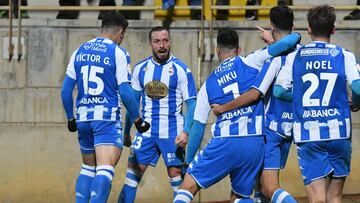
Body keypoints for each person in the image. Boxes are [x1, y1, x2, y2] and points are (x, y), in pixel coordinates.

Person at [173, 28, 301, 203]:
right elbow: (290, 41)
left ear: (218, 51)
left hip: (225, 141)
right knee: (239, 197)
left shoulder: (208, 85)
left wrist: (188, 162)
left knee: (187, 187)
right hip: (254, 142)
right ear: (238, 49)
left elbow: (198, 127)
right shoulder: (252, 60)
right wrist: (273, 38)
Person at [61, 11, 150, 203]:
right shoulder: (118, 52)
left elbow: (65, 90)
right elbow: (125, 92)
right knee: (105, 169)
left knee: (87, 168)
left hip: (83, 118)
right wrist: (137, 119)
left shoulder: (80, 50)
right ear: (121, 33)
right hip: (106, 120)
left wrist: (71, 118)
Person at [274, 5, 360, 203]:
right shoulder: (344, 55)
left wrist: (301, 98)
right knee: (335, 196)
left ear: (309, 29)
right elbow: (357, 88)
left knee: (317, 198)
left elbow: (279, 91)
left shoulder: (296, 56)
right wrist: (355, 103)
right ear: (333, 30)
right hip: (339, 132)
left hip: (308, 132)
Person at [211, 5, 298, 203]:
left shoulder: (273, 59)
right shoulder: (301, 54)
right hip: (292, 127)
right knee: (260, 188)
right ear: (293, 25)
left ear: (272, 26)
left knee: (267, 188)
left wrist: (223, 108)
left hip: (269, 129)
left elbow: (254, 94)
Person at [118, 26, 197, 203]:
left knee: (177, 177)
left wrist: (186, 131)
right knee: (131, 177)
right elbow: (133, 104)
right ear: (150, 44)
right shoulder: (140, 69)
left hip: (173, 133)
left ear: (170, 42)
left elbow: (192, 104)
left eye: (165, 40)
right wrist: (126, 132)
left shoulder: (181, 70)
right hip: (146, 132)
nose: (162, 45)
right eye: (157, 41)